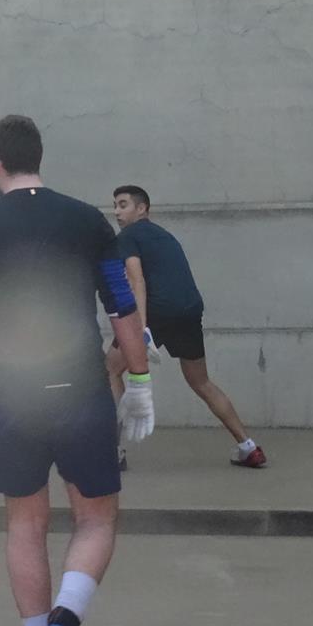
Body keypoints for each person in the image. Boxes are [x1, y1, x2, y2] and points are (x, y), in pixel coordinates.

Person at [0, 116, 154, 626]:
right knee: (95, 519)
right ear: (39, 157)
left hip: (10, 396)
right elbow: (121, 306)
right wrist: (138, 380)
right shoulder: (88, 220)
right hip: (82, 391)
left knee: (24, 523)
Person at [107, 186, 266, 469]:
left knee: (108, 370)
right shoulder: (166, 236)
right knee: (201, 382)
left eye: (123, 205)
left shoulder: (128, 237)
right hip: (190, 310)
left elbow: (136, 281)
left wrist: (141, 328)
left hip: (156, 312)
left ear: (142, 209)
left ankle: (113, 452)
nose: (117, 212)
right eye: (115, 206)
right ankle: (248, 447)